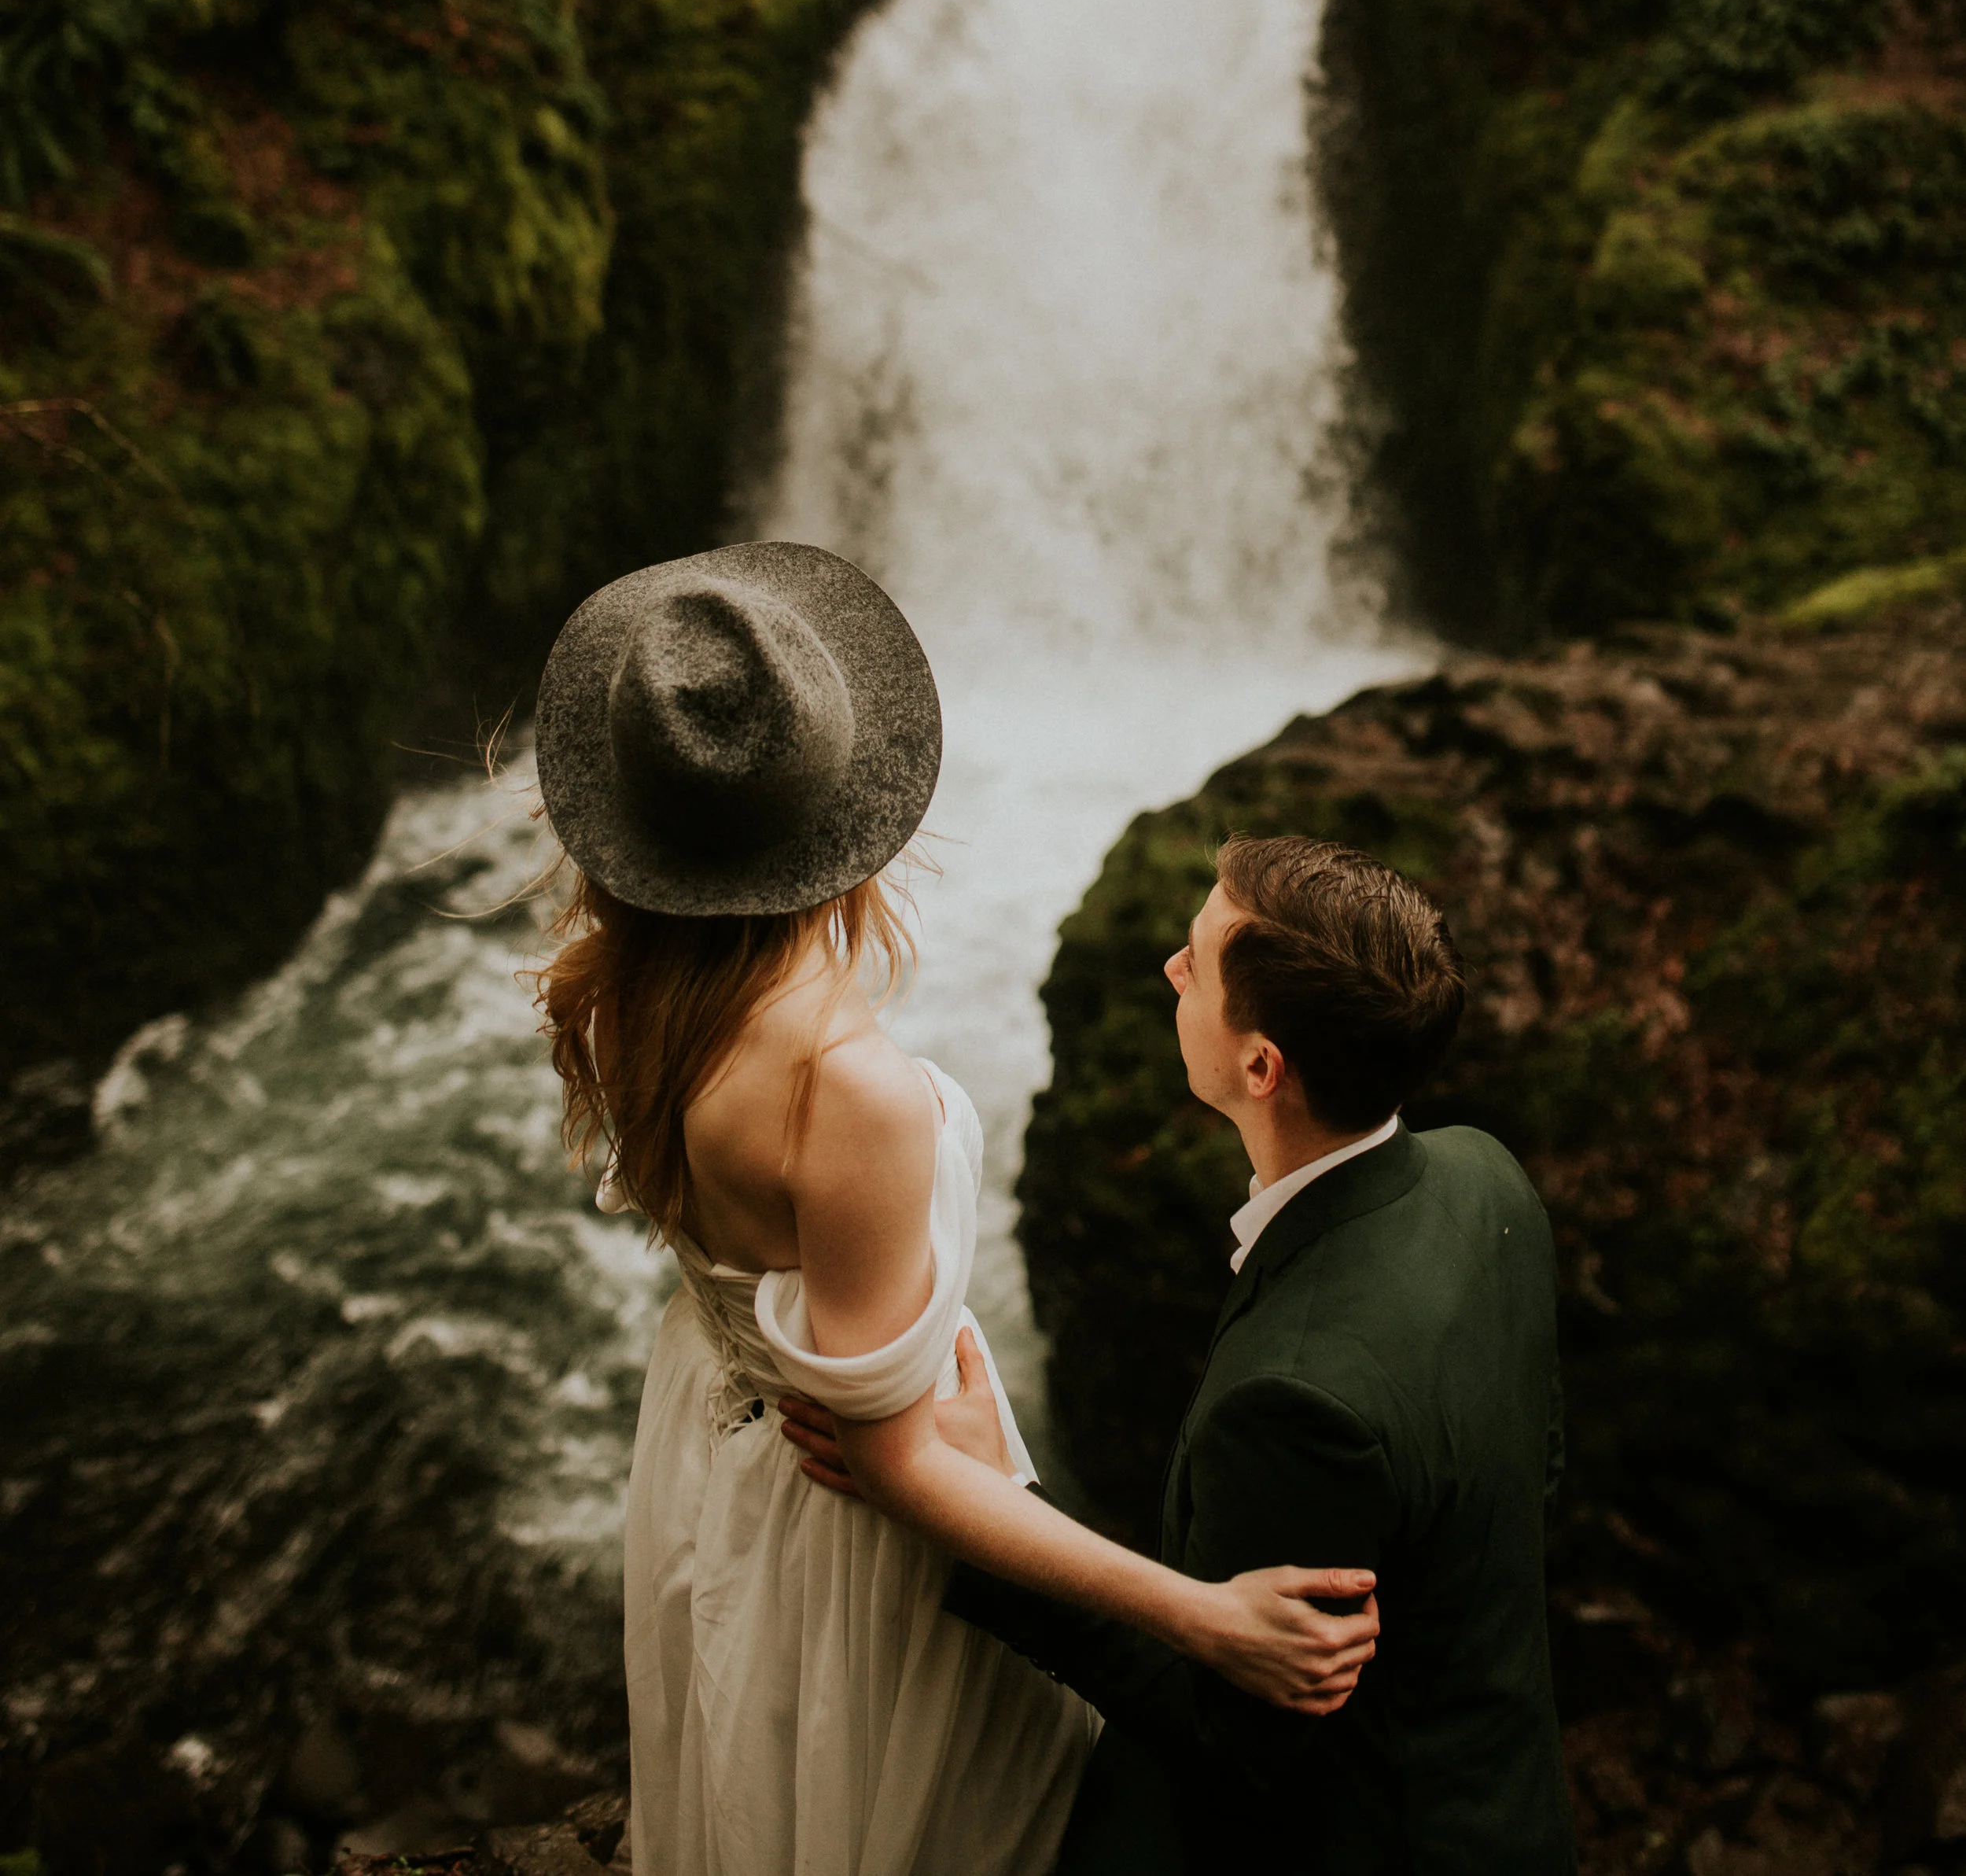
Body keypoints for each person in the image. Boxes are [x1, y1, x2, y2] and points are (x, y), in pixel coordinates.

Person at [532, 546, 1379, 1876]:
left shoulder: (620, 984)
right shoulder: (843, 1085)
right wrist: (1200, 1616)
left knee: (750, 1783)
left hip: (709, 1454)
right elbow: (893, 1466)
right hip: (841, 1535)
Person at [784, 835, 1577, 1876]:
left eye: (1197, 958)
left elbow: (1228, 1736)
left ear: (1262, 1066)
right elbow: (1531, 1467)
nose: (1170, 966)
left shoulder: (1295, 1401)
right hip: (1513, 1796)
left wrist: (996, 1499)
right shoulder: (1487, 1180)